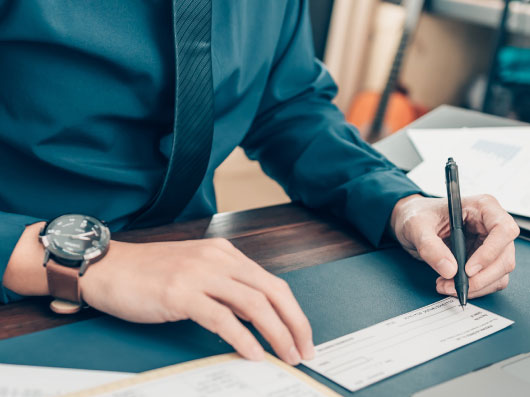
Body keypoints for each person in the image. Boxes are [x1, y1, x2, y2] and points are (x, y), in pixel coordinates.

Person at [1, 1, 519, 366]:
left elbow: (288, 104)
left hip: (192, 283)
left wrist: (400, 202)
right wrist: (86, 264)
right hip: (22, 285)